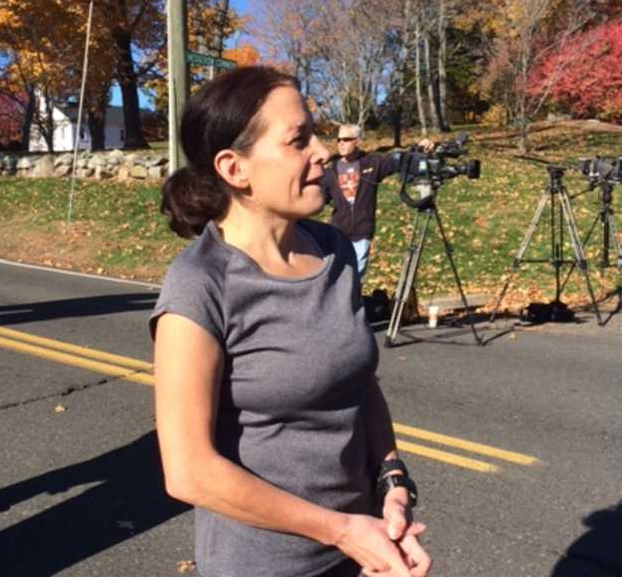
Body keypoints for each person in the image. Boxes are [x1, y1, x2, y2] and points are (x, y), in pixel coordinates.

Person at [151, 66, 431, 577]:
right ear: (236, 169)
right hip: (264, 564)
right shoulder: (199, 284)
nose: (322, 151)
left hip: (362, 547)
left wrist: (392, 485)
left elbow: (359, 386)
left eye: (315, 133)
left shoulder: (334, 250)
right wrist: (342, 530)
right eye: (298, 140)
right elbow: (189, 473)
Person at [323, 125, 433, 281]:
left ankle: (353, 305)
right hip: (337, 235)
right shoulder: (330, 169)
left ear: (357, 141)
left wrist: (419, 149)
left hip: (362, 234)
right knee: (334, 280)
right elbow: (319, 198)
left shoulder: (372, 162)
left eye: (346, 139)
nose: (341, 143)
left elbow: (398, 160)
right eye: (339, 139)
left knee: (354, 281)